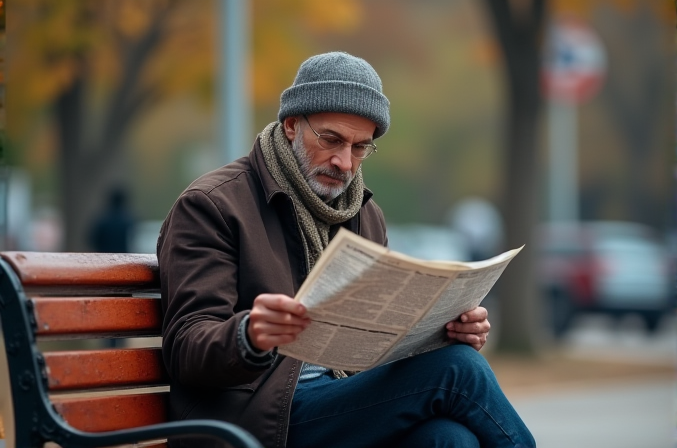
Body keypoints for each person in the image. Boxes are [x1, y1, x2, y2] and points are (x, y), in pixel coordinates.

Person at [158, 51, 535, 448]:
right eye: (331, 140)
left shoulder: (364, 214)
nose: (344, 162)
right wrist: (249, 335)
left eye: (360, 147)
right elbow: (187, 347)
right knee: (458, 369)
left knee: (448, 438)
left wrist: (445, 331)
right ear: (291, 124)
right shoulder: (212, 205)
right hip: (257, 418)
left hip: (341, 401)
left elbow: (381, 341)